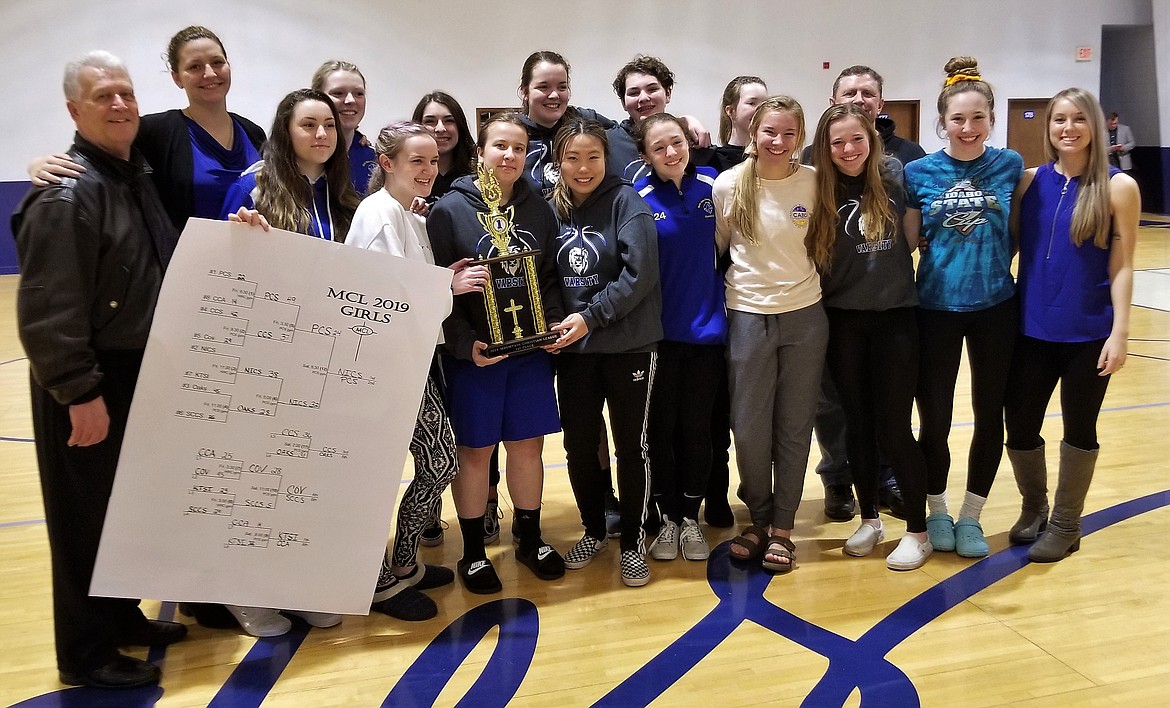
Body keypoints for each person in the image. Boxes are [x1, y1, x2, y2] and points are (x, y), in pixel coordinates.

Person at [13, 50, 187, 690]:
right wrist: (78, 391)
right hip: (91, 379)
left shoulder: (129, 176)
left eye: (126, 93)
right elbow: (48, 308)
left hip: (135, 368)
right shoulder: (67, 193)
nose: (119, 105)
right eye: (104, 95)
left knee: (121, 511)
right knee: (83, 516)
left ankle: (119, 616)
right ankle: (85, 653)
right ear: (74, 110)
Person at [217, 88, 360, 635]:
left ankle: (299, 585)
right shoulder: (252, 187)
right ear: (285, 130)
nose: (321, 134)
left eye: (328, 124)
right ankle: (245, 591)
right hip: (266, 359)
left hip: (324, 360)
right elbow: (223, 269)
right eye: (308, 125)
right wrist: (241, 239)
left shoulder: (343, 193)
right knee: (260, 479)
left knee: (306, 479)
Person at [344, 121, 490, 619]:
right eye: (416, 161)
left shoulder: (407, 216)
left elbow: (410, 283)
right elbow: (386, 300)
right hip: (385, 365)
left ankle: (403, 564)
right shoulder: (381, 215)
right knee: (426, 465)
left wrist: (441, 282)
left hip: (413, 358)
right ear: (387, 163)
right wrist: (448, 289)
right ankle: (381, 577)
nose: (428, 170)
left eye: (432, 161)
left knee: (435, 463)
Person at [427, 113, 567, 593]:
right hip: (476, 356)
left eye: (519, 148)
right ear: (480, 153)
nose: (510, 156)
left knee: (528, 446)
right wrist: (466, 345)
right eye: (500, 147)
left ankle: (529, 537)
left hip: (528, 353)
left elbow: (548, 277)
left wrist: (546, 322)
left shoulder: (539, 209)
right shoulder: (448, 211)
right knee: (476, 451)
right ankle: (472, 551)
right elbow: (437, 287)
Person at [1005, 88, 1138, 562]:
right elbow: (1013, 246)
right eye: (1059, 119)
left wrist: (1120, 332)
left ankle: (1066, 522)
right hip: (1029, 330)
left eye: (1079, 119)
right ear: (1048, 127)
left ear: (1095, 126)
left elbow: (1122, 265)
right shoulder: (1028, 181)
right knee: (1019, 426)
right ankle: (1034, 508)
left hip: (1088, 333)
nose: (1068, 128)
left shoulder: (1118, 187)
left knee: (1079, 428)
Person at [903, 57, 1024, 559]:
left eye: (978, 118)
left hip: (996, 304)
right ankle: (937, 510)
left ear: (991, 119)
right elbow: (911, 236)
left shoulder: (1009, 164)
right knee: (935, 418)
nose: (968, 128)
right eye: (958, 119)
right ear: (942, 122)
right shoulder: (919, 172)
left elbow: (1017, 229)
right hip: (934, 306)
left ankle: (972, 515)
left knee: (988, 413)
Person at [805, 104, 932, 569]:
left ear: (871, 139)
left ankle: (918, 530)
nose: (847, 150)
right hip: (843, 321)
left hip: (896, 319)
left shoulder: (897, 180)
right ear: (825, 147)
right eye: (837, 142)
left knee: (894, 428)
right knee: (855, 424)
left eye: (856, 139)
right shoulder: (817, 188)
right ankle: (870, 518)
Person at [714, 96, 828, 574]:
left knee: (795, 425)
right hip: (746, 316)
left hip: (805, 316)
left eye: (788, 134)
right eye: (769, 132)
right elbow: (720, 247)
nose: (777, 142)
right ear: (753, 133)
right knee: (751, 429)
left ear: (800, 137)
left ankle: (782, 526)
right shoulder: (728, 186)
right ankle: (758, 517)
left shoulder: (815, 182)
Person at [548, 120, 661, 586]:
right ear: (559, 161)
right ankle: (595, 528)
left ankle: (634, 543)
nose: (583, 167)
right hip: (574, 350)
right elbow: (545, 275)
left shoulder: (626, 203)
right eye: (572, 157)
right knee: (578, 447)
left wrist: (589, 318)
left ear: (606, 158)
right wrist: (559, 320)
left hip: (628, 345)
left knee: (631, 448)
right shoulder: (551, 209)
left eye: (592, 157)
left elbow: (639, 276)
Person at [28, 26, 266, 233]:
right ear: (177, 78)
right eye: (194, 67)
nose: (210, 73)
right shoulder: (157, 132)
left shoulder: (253, 133)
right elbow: (100, 155)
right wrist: (38, 164)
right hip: (187, 274)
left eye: (217, 62)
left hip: (248, 270)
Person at [633, 113, 725, 562]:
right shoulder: (639, 197)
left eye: (677, 143)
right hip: (660, 338)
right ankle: (665, 517)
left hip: (708, 335)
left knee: (698, 429)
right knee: (661, 430)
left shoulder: (714, 185)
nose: (671, 153)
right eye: (659, 148)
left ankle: (690, 516)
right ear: (646, 156)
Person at [608, 55, 713, 183]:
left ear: (668, 93)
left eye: (652, 89)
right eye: (634, 93)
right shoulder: (609, 142)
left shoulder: (692, 137)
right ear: (623, 103)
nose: (643, 98)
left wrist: (685, 122)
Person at [312, 60, 376, 194]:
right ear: (317, 98)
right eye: (338, 93)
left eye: (359, 93)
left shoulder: (374, 159)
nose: (350, 100)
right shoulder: (301, 157)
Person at [413, 91, 477, 202]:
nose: (440, 128)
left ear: (460, 126)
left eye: (449, 121)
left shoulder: (478, 173)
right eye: (430, 121)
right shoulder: (404, 173)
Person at [714, 76, 768, 170]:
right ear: (731, 111)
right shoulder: (713, 160)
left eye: (764, 104)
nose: (761, 110)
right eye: (752, 103)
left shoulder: (773, 156)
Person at [1106, 112, 1136, 176]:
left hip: (1123, 161)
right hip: (1109, 161)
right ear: (1107, 122)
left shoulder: (1125, 129)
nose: (1113, 125)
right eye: (1111, 124)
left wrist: (1124, 147)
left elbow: (1132, 143)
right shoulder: (1101, 131)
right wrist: (1111, 149)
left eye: (1115, 123)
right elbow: (1099, 147)